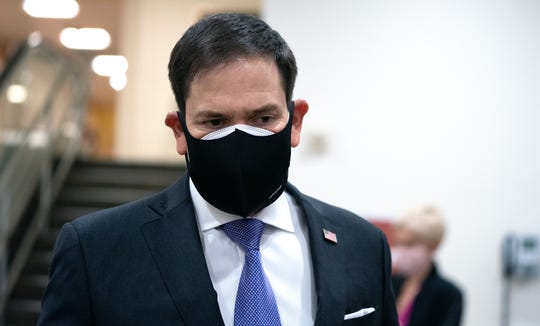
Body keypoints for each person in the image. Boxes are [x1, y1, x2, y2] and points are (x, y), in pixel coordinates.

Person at [38, 13, 398, 325]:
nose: (239, 138)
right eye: (214, 121)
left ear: (296, 121)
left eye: (263, 118)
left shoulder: (362, 246)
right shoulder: (97, 251)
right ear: (179, 131)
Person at [391, 206, 463, 326]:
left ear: (433, 245)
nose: (401, 251)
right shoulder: (390, 284)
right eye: (399, 243)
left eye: (409, 244)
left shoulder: (449, 295)